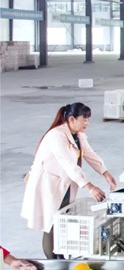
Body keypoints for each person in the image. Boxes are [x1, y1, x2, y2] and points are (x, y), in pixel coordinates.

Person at [21, 103, 117, 259]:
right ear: (72, 119)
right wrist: (90, 187)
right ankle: (52, 260)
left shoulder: (77, 134)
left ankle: (60, 256)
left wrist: (105, 172)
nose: (87, 123)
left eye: (88, 119)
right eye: (84, 119)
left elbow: (89, 153)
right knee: (51, 222)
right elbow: (68, 164)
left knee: (62, 219)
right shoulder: (56, 136)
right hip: (48, 184)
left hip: (64, 184)